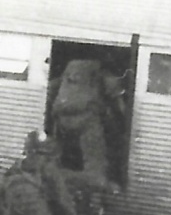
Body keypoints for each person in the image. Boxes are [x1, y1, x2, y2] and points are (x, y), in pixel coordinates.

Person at [50, 58, 126, 188]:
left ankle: (54, 177)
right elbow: (118, 100)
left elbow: (50, 88)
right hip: (87, 121)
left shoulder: (67, 73)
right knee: (95, 167)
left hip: (62, 121)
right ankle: (96, 184)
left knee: (59, 156)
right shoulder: (103, 74)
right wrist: (122, 118)